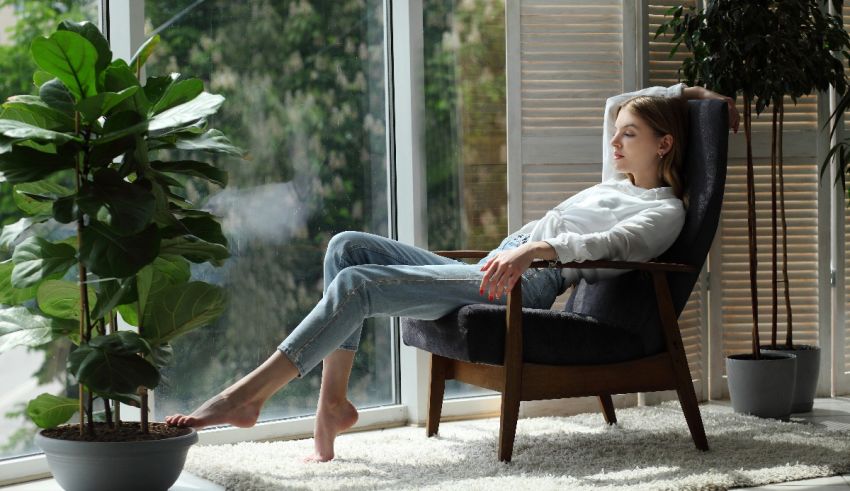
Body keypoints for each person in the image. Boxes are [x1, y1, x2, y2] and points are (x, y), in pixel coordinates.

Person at [165, 84, 739, 462]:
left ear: (664, 144)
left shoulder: (663, 211)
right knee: (347, 247)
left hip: (528, 280)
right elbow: (628, 99)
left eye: (629, 134)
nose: (614, 140)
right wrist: (694, 95)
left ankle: (246, 396)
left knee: (358, 286)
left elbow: (604, 244)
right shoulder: (616, 182)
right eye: (616, 133)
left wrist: (532, 251)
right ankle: (333, 404)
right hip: (506, 257)